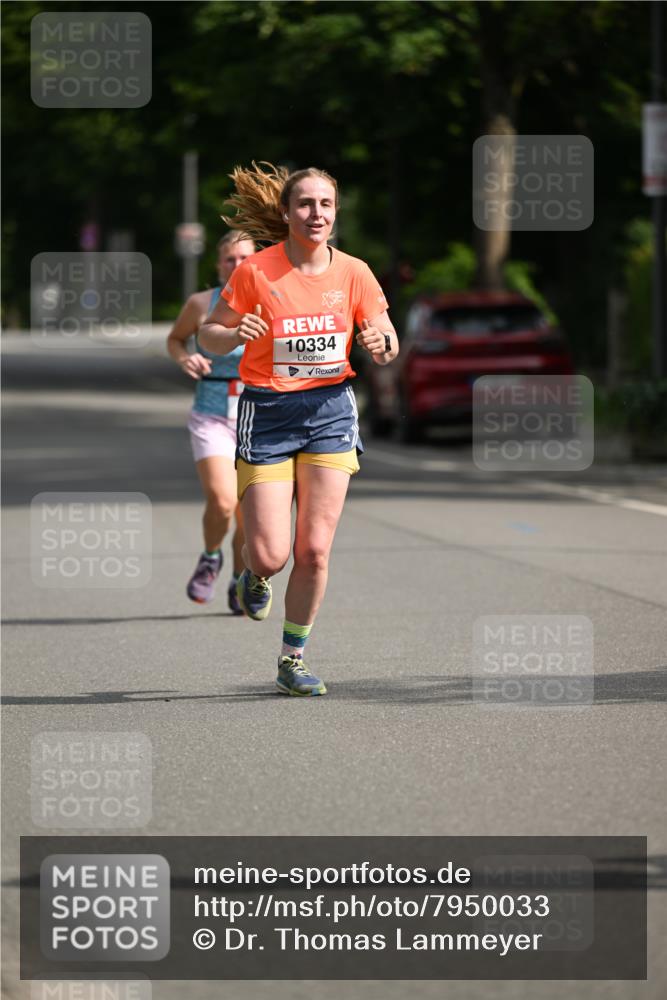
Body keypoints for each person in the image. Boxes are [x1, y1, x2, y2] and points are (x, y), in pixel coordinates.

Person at [199, 162, 398, 696]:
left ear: (336, 213)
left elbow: (382, 328)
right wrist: (233, 329)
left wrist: (382, 342)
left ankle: (293, 658)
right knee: (271, 553)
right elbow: (209, 334)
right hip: (267, 414)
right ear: (287, 213)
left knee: (314, 551)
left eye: (326, 204)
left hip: (331, 412)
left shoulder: (354, 271)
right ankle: (254, 576)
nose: (317, 213)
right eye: (306, 204)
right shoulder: (256, 271)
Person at [167, 231, 256, 612]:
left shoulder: (273, 302)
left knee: (248, 513)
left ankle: (239, 581)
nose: (237, 266)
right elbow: (176, 340)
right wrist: (185, 358)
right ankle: (210, 555)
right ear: (219, 265)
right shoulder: (202, 303)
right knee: (222, 502)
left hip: (259, 415)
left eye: (244, 259)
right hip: (212, 413)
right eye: (229, 260)